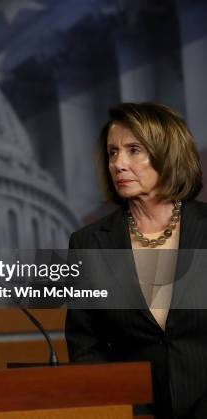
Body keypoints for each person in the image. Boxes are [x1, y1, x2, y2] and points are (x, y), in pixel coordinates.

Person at [65, 102, 207, 418]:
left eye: (134, 150)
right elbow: (86, 345)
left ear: (167, 154)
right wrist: (126, 409)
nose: (118, 163)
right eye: (113, 152)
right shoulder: (89, 243)